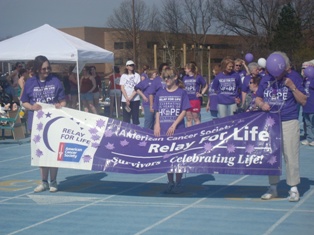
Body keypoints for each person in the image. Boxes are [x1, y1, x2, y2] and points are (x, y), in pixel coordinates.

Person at [255, 51, 307, 202]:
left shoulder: (294, 77)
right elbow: (258, 97)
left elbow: (303, 100)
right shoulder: (266, 79)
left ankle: (293, 188)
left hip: (288, 120)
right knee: (271, 155)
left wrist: (292, 87)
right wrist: (261, 104)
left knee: (290, 154)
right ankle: (273, 187)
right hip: (270, 122)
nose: (275, 75)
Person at [20, 55, 66, 193]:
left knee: (53, 151)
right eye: (44, 69)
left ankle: (54, 181)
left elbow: (63, 101)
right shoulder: (30, 83)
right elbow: (24, 101)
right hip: (37, 123)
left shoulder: (56, 81)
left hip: (53, 123)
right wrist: (31, 107)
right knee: (40, 153)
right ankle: (44, 181)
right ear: (37, 69)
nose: (47, 71)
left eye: (48, 68)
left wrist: (60, 105)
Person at [153, 67, 191, 194]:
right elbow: (157, 110)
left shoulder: (181, 93)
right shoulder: (160, 93)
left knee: (178, 157)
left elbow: (184, 110)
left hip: (178, 129)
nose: (166, 80)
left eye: (168, 77)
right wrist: (157, 124)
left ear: (175, 78)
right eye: (164, 77)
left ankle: (178, 182)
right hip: (163, 128)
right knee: (167, 158)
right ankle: (170, 182)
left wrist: (174, 125)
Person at [120, 60, 141, 124]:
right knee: (126, 117)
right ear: (127, 67)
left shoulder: (137, 75)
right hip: (125, 100)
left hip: (135, 99)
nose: (132, 66)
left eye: (132, 65)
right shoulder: (123, 76)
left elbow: (137, 87)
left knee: (135, 117)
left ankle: (136, 131)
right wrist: (127, 98)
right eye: (130, 65)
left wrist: (130, 97)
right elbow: (122, 88)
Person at [301, 61, 314, 146]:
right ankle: (310, 138)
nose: (303, 70)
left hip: (312, 105)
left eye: (305, 69)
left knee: (313, 123)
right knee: (308, 123)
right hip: (306, 105)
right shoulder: (304, 80)